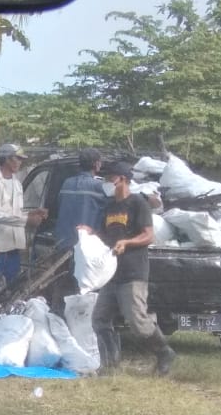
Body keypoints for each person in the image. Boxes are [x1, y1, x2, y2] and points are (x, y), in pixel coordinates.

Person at [86, 162, 177, 376]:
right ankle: (110, 365)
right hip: (111, 273)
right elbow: (106, 236)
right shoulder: (109, 207)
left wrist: (127, 243)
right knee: (99, 319)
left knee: (137, 322)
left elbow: (148, 235)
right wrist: (91, 232)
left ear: (123, 179)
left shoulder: (137, 203)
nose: (108, 182)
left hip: (133, 272)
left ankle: (164, 351)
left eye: (111, 178)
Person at [0, 144, 47, 305]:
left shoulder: (17, 184)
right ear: (6, 159)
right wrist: (27, 220)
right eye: (16, 159)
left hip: (13, 246)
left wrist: (32, 214)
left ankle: (3, 314)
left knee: (13, 285)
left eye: (20, 159)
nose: (19, 163)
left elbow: (15, 212)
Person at [55, 147, 108, 251]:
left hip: (64, 242)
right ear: (96, 164)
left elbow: (59, 206)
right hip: (88, 244)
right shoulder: (100, 186)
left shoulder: (67, 183)